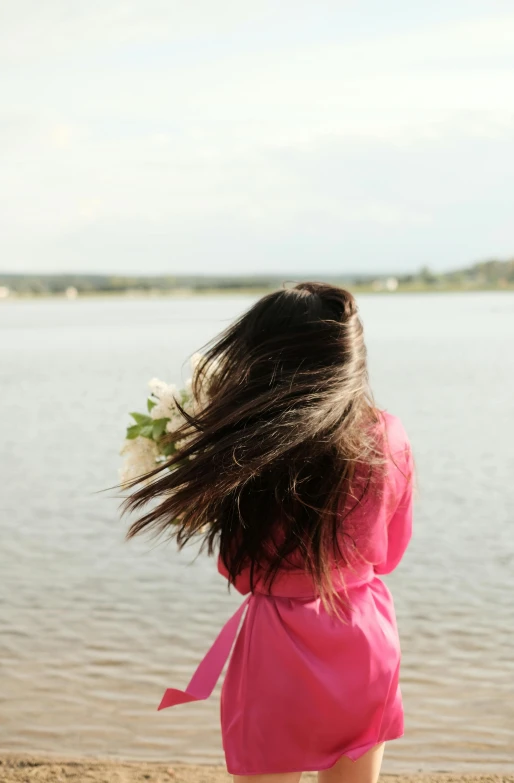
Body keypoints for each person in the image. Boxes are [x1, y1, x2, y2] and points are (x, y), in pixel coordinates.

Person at [122, 282, 415, 783]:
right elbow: (390, 554)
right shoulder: (387, 433)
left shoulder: (251, 446)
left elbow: (237, 569)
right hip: (363, 639)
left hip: (278, 650)